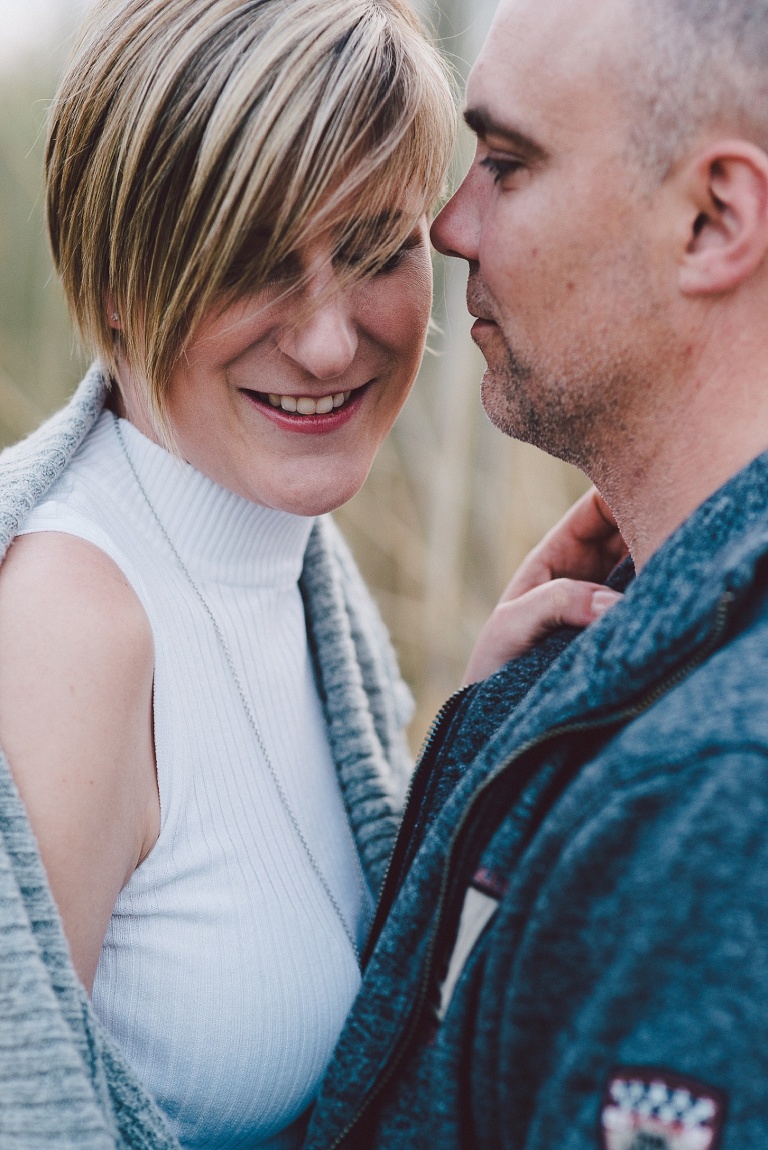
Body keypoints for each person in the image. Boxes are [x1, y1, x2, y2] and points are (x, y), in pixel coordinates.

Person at [0, 1, 623, 1147]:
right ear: (122, 275)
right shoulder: (71, 627)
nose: (331, 341)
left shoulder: (296, 573)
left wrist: (465, 753)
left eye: (376, 249)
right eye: (253, 264)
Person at [302, 0, 768, 1146]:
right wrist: (500, 731)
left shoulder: (720, 789)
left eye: (506, 165)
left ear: (713, 218)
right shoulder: (613, 674)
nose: (449, 225)